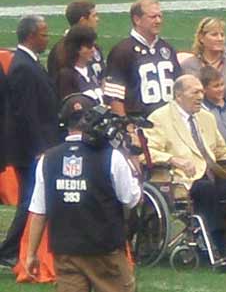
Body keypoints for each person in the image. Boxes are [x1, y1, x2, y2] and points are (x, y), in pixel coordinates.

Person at [144, 74, 226, 264]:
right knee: (206, 189)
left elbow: (221, 150)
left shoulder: (206, 117)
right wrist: (174, 159)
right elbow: (147, 152)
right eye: (195, 92)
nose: (200, 95)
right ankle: (220, 247)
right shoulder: (160, 118)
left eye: (201, 91)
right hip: (183, 181)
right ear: (179, 95)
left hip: (213, 175)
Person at [26, 93, 141, 291]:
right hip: (104, 250)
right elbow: (130, 198)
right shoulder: (111, 156)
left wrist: (30, 254)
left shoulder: (47, 159)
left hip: (65, 251)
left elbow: (38, 211)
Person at [0, 15, 60, 267]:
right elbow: (25, 113)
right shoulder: (23, 66)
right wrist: (39, 149)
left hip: (33, 146)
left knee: (31, 199)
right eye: (44, 34)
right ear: (31, 36)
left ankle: (12, 249)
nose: (47, 38)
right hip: (30, 149)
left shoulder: (27, 62)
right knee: (29, 200)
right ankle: (8, 250)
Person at [105, 0, 181, 118]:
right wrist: (126, 126)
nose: (158, 21)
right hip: (139, 121)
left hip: (169, 120)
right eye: (152, 17)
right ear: (137, 19)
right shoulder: (122, 51)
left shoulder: (167, 49)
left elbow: (179, 86)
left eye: (160, 16)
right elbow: (114, 96)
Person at [181, 17, 226, 113]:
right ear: (201, 38)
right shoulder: (187, 66)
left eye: (222, 35)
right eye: (214, 35)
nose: (220, 38)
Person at [47, 0, 105, 83]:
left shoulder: (95, 47)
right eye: (94, 16)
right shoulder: (61, 50)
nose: (97, 19)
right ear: (82, 21)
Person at [200, 65, 226, 160]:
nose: (220, 89)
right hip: (215, 155)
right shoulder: (202, 109)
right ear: (204, 89)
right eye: (216, 86)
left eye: (222, 84)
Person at [56, 25, 103, 103]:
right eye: (89, 46)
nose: (93, 50)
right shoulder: (66, 75)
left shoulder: (91, 70)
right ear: (76, 48)